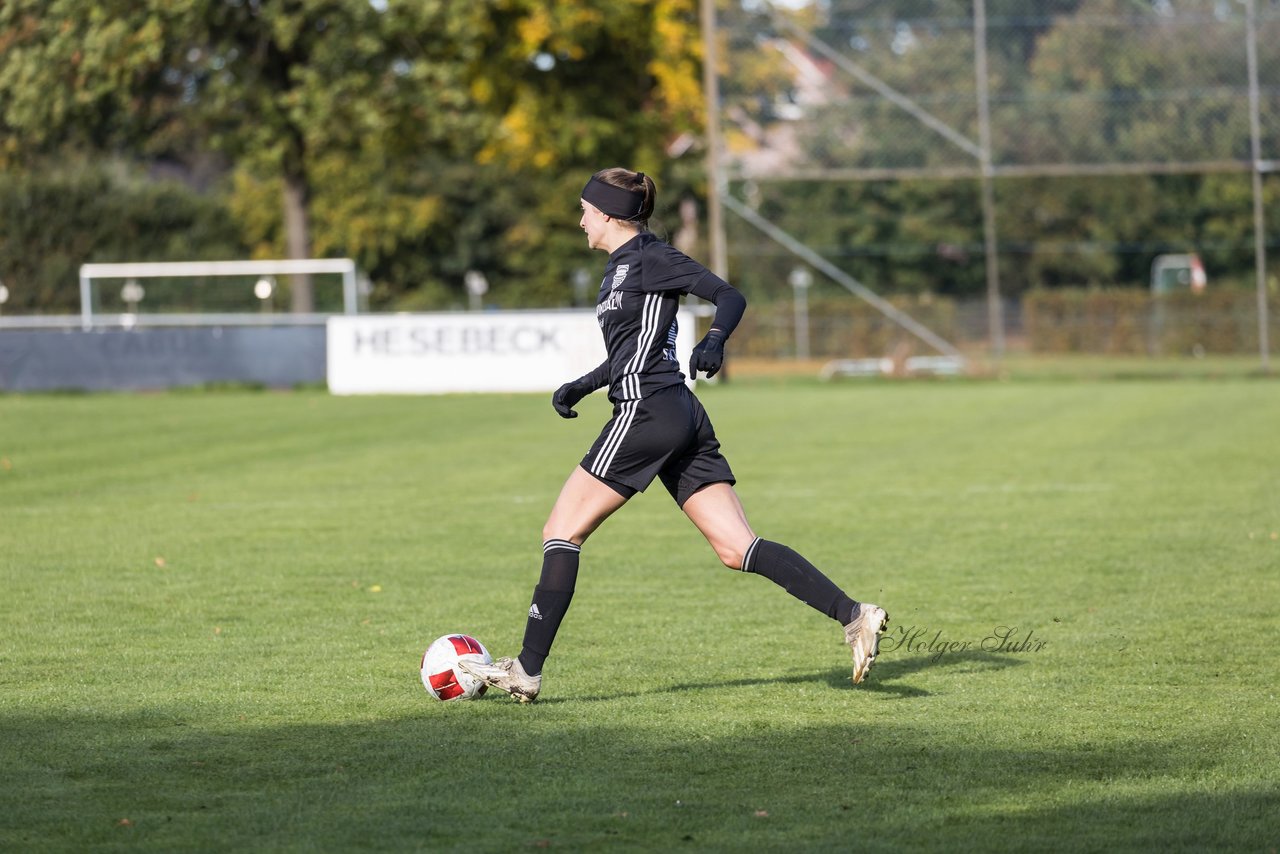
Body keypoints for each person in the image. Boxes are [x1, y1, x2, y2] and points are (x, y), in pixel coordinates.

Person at [460, 167, 887, 703]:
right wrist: (583, 385)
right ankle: (854, 616)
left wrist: (715, 340)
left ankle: (527, 668)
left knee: (561, 531)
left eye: (586, 209)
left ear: (611, 214)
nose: (580, 219)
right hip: (674, 412)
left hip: (648, 410)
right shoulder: (617, 269)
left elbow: (728, 296)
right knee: (737, 548)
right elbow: (626, 354)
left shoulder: (651, 257)